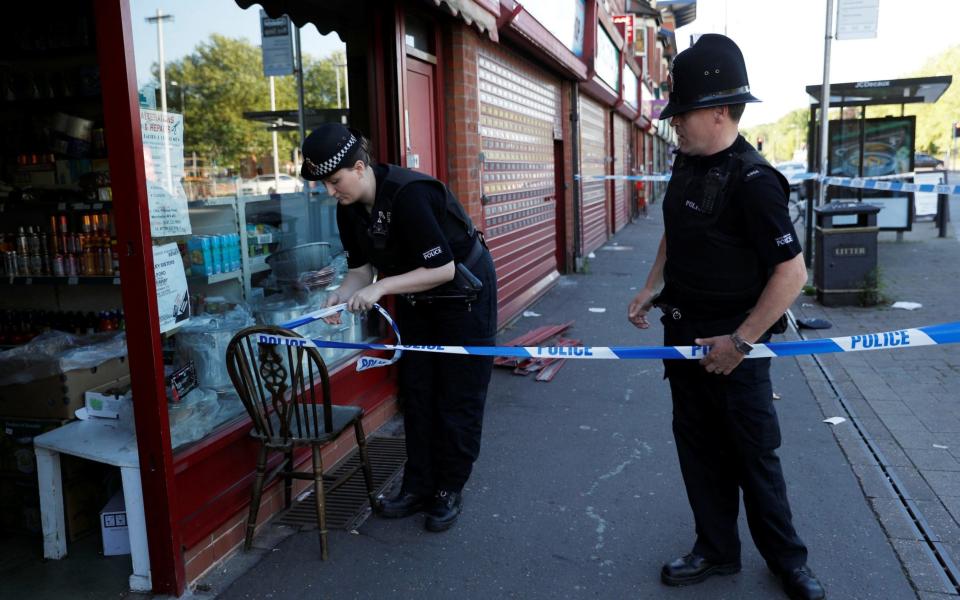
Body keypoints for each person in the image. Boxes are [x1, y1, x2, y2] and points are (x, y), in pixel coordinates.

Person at [626, 34, 825, 600]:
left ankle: (788, 563)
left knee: (754, 457)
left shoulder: (756, 182)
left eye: (682, 113)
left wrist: (738, 343)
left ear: (718, 111)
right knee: (699, 452)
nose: (675, 124)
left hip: (738, 349)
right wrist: (650, 286)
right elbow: (676, 230)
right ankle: (715, 549)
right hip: (682, 340)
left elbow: (792, 275)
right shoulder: (687, 164)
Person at [299, 123, 497, 532]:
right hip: (417, 298)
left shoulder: (410, 194)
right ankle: (418, 485)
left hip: (463, 297)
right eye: (324, 185)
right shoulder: (348, 209)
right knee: (418, 392)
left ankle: (448, 489)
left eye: (334, 182)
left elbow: (442, 268)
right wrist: (340, 294)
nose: (330, 192)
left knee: (457, 397)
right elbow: (359, 270)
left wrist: (382, 287)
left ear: (359, 166)